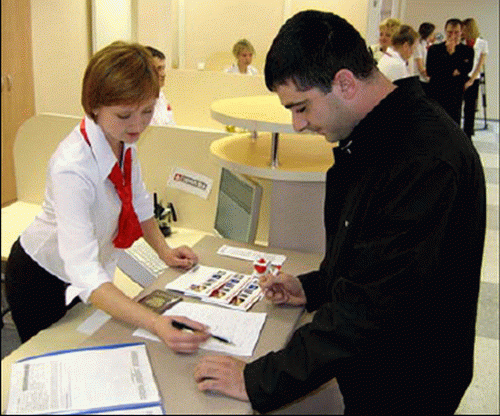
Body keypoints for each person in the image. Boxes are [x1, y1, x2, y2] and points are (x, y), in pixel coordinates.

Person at [194, 10, 486, 414]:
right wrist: (314, 287)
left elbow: (372, 309)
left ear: (344, 83)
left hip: (408, 385)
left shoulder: (423, 159)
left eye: (302, 107)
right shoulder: (372, 136)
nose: (297, 125)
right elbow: (368, 255)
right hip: (380, 368)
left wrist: (256, 379)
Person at [5, 41, 210, 352]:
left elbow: (140, 202)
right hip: (40, 277)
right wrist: (155, 323)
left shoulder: (121, 140)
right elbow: (84, 272)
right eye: (125, 114)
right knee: (48, 358)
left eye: (146, 111)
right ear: (94, 106)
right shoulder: (72, 168)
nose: (139, 125)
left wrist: (164, 252)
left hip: (84, 272)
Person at [426, 18, 474, 126]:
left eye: (456, 32)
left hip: (455, 93)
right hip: (436, 91)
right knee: (435, 122)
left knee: (453, 123)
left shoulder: (467, 50)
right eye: (450, 32)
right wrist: (451, 64)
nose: (453, 35)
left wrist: (451, 55)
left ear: (461, 32)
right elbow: (431, 70)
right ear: (445, 31)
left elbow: (466, 69)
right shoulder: (435, 49)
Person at [462, 18, 488, 139]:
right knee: (457, 105)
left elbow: (480, 63)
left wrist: (471, 79)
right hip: (461, 77)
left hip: (473, 77)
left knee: (470, 108)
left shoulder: (482, 43)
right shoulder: (461, 42)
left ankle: (468, 133)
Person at [145, 46, 176, 126]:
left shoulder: (160, 95)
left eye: (163, 68)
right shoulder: (138, 103)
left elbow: (170, 124)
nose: (163, 74)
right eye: (158, 69)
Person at [414, 22, 436, 95]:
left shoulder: (428, 44)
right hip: (421, 80)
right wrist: (429, 78)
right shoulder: (418, 46)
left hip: (427, 79)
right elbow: (420, 66)